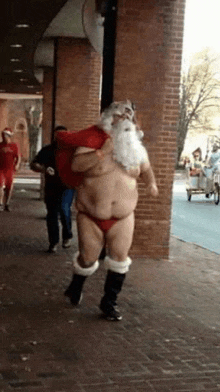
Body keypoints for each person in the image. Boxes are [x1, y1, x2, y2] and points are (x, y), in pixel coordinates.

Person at [56, 101, 158, 321]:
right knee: (87, 258)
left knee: (120, 258)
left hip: (123, 217)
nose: (123, 122)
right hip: (91, 215)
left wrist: (151, 184)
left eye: (127, 119)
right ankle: (76, 284)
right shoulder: (91, 143)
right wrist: (102, 153)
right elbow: (77, 166)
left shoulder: (136, 150)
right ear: (108, 120)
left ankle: (109, 302)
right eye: (118, 118)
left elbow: (147, 170)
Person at [30, 126, 76, 253]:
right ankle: (53, 242)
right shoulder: (47, 150)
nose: (60, 138)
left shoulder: (71, 150)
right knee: (51, 214)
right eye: (57, 135)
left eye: (63, 135)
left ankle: (67, 235)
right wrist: (44, 169)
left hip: (67, 186)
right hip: (51, 186)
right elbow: (33, 164)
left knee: (64, 209)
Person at [0, 128, 21, 212]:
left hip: (10, 169)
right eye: (3, 135)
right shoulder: (0, 145)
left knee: (9, 187)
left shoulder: (14, 146)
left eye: (5, 135)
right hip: (0, 169)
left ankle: (7, 204)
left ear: (9, 136)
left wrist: (17, 164)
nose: (3, 137)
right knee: (0, 185)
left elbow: (18, 156)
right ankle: (0, 203)